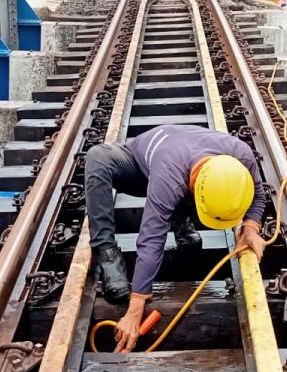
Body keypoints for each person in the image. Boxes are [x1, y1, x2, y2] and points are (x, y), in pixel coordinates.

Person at [84, 124, 267, 352]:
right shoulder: (169, 177)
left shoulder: (242, 156)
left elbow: (259, 194)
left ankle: (181, 220)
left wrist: (250, 227)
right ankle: (107, 253)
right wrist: (135, 307)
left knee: (173, 194)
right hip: (144, 166)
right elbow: (151, 239)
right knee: (97, 157)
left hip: (180, 162)